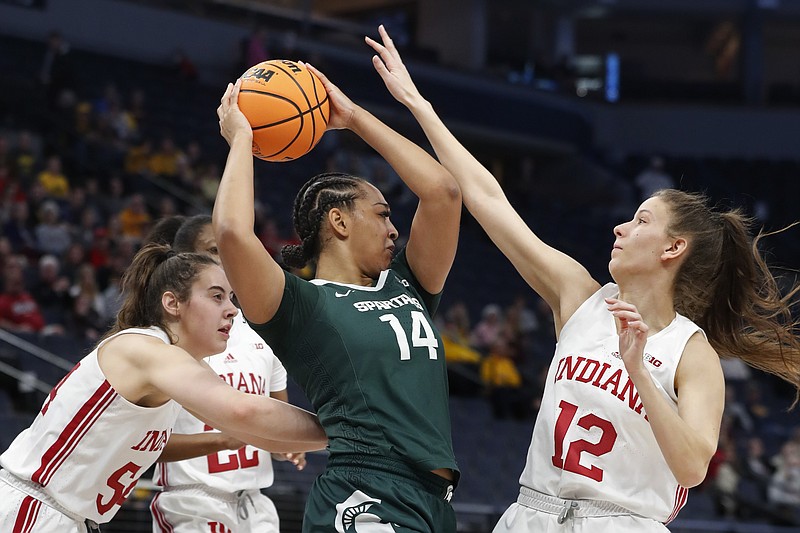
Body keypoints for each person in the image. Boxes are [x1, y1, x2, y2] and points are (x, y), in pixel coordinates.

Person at [366, 24, 800, 532]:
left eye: (640, 221)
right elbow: (487, 199)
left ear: (673, 248)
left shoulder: (691, 351)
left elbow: (693, 466)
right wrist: (419, 104)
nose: (620, 226)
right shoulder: (579, 295)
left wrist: (639, 371)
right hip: (533, 513)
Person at [212, 51, 462, 531]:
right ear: (339, 219)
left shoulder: (409, 284)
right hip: (365, 493)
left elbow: (444, 192)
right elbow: (231, 234)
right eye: (383, 213)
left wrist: (352, 118)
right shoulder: (300, 304)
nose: (394, 230)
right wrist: (242, 138)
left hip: (435, 502)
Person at [0, 243, 327, 532]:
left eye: (231, 297)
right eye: (216, 296)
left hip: (69, 516)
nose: (232, 309)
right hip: (33, 509)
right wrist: (352, 429)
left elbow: (248, 430)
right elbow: (244, 411)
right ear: (173, 303)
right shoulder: (146, 351)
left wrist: (346, 438)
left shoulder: (176, 365)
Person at [148, 214, 305, 533]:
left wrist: (289, 445)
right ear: (185, 262)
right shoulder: (167, 341)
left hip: (257, 505)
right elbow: (145, 444)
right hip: (193, 502)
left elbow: (278, 424)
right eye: (215, 250)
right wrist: (219, 440)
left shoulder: (262, 337)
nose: (228, 258)